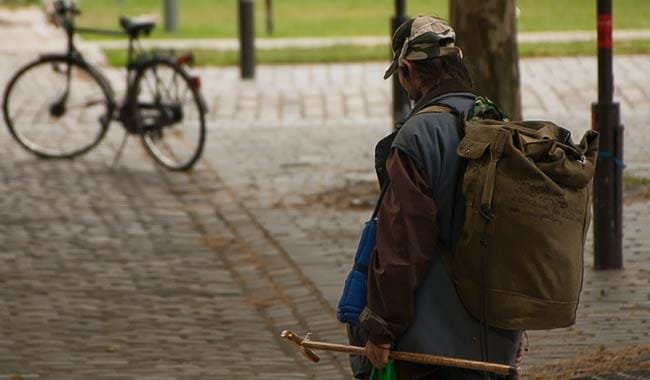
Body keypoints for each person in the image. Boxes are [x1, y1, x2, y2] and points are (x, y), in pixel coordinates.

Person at [346, 16, 525, 379]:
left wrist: (381, 328)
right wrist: (518, 324)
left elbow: (403, 241)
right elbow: (519, 237)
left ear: (408, 69)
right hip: (494, 344)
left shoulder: (417, 136)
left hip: (430, 350)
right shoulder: (497, 124)